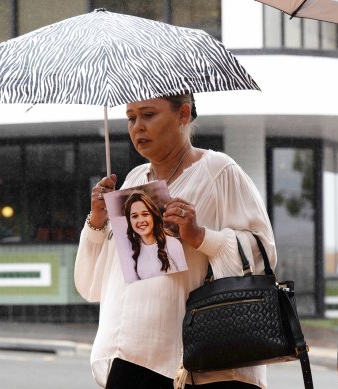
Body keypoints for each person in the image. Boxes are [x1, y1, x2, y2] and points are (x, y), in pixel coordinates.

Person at [74, 93, 276, 389]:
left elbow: (262, 256)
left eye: (148, 115)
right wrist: (97, 222)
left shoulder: (218, 171)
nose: (137, 127)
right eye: (131, 118)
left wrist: (200, 236)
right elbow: (93, 285)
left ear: (183, 114)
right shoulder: (133, 181)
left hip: (196, 363)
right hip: (129, 356)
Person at [123, 191, 186, 281]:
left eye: (145, 214)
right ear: (130, 221)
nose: (140, 220)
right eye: (135, 216)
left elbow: (184, 279)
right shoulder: (133, 250)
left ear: (153, 216)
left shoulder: (172, 244)